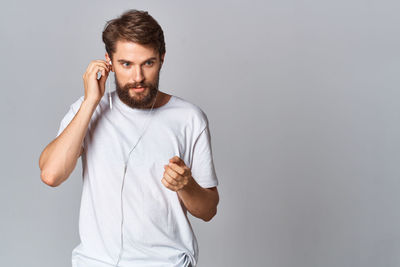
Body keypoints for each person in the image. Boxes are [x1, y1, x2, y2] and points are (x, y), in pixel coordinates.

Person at [38, 9, 219, 267]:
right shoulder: (89, 109)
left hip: (166, 262)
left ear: (162, 59)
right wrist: (91, 101)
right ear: (108, 62)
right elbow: (51, 175)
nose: (138, 78)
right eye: (126, 64)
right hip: (95, 262)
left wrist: (185, 185)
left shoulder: (189, 118)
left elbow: (209, 210)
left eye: (148, 63)